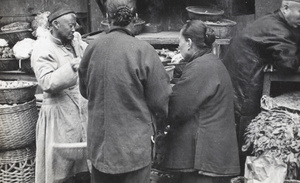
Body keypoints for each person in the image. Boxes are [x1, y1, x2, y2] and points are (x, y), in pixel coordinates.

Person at [78, 0, 172, 182]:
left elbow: (85, 91)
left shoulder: (92, 48)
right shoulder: (143, 51)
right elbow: (161, 100)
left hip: (101, 147)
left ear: (107, 18)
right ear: (135, 18)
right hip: (134, 148)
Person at [222, 0, 300, 171]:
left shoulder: (273, 20)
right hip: (244, 85)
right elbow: (288, 65)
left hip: (237, 80)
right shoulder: (277, 29)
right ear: (285, 8)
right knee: (246, 132)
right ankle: (242, 173)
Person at [159, 20, 240, 183]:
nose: (178, 47)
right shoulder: (211, 62)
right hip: (211, 155)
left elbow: (177, 109)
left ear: (189, 43)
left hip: (203, 158)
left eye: (179, 42)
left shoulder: (201, 67)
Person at [31, 4, 89, 183]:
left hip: (79, 113)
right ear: (55, 24)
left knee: (83, 168)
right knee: (60, 170)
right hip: (58, 117)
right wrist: (72, 68)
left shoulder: (76, 41)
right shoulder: (43, 48)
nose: (75, 28)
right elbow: (46, 82)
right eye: (70, 25)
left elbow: (90, 55)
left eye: (75, 25)